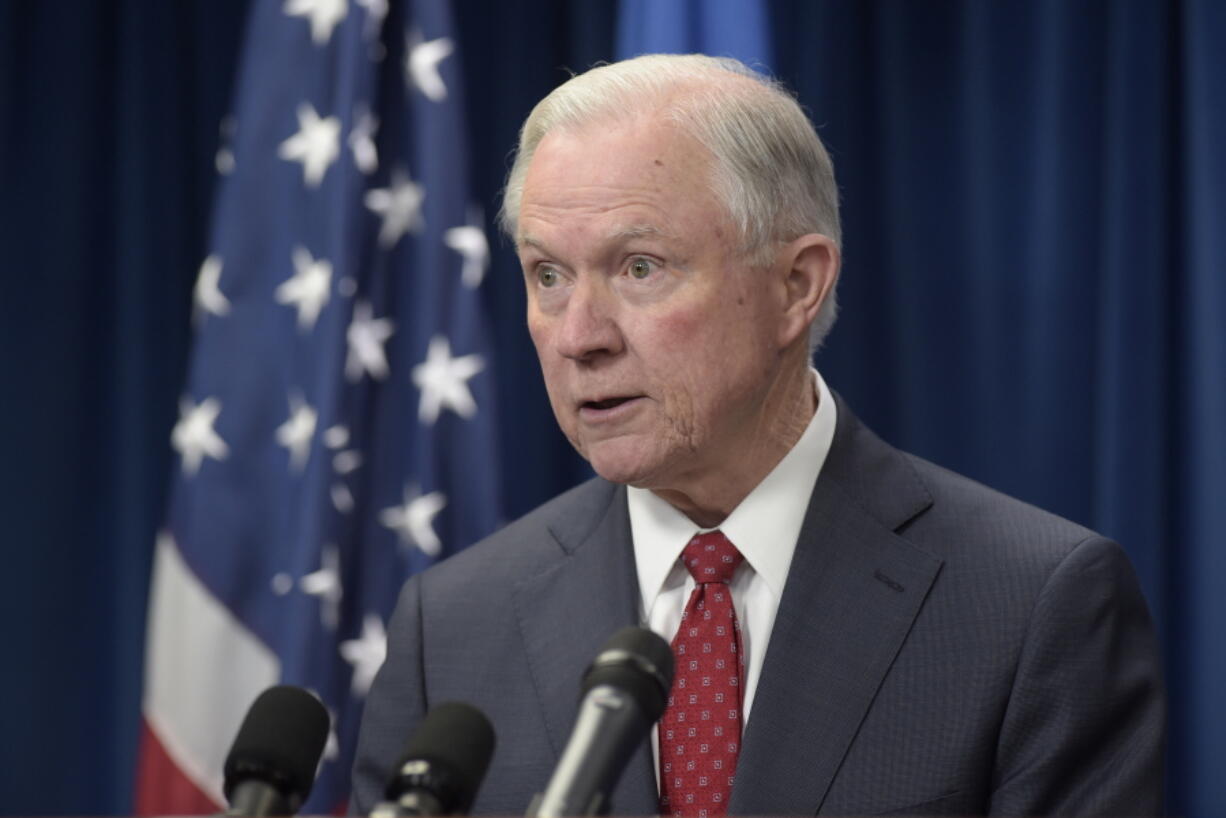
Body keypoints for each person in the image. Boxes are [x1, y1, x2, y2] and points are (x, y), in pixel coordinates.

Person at [351, 54, 1164, 817]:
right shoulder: (451, 627)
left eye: (640, 267)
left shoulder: (1032, 608)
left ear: (796, 286)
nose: (578, 336)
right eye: (548, 276)